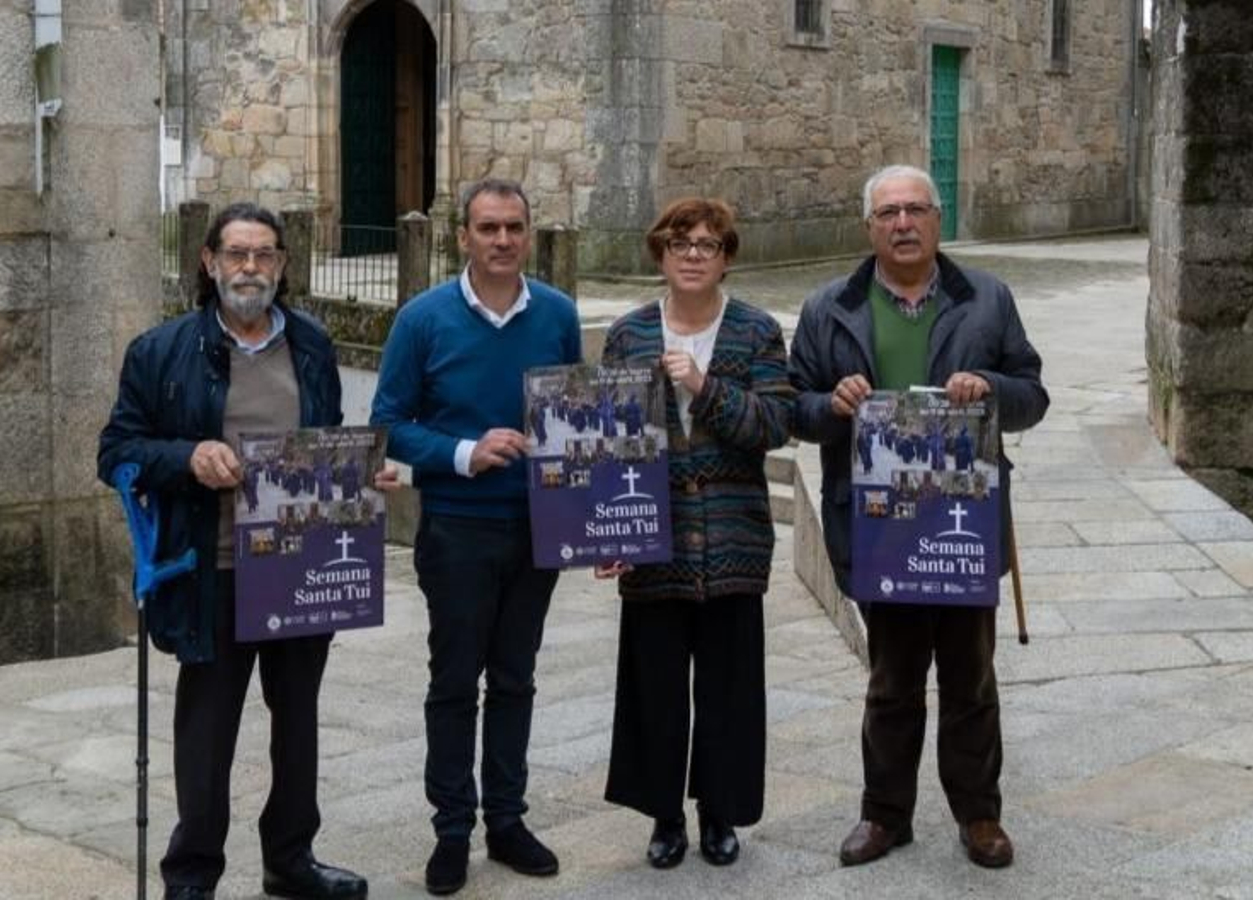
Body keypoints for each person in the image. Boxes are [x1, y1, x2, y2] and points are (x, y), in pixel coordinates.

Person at [99, 202, 394, 900]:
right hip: (214, 565)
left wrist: (355, 476)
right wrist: (187, 454)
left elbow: (324, 441)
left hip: (301, 562)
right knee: (208, 730)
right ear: (209, 262)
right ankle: (193, 872)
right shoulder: (160, 351)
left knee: (298, 722)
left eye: (264, 254)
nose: (251, 268)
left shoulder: (314, 346)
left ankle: (290, 859)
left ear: (283, 265)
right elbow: (115, 452)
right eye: (237, 254)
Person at [788, 165, 1049, 871]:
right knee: (892, 680)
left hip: (962, 525)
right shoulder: (828, 307)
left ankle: (979, 813)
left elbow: (1034, 395)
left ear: (937, 219)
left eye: (915, 210)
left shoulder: (988, 300)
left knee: (971, 677)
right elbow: (794, 409)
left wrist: (990, 389)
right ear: (868, 227)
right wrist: (830, 406)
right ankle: (885, 815)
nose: (902, 224)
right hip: (879, 529)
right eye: (888, 213)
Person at [370, 178, 582, 896]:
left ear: (528, 234)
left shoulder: (557, 314)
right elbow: (389, 422)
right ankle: (452, 829)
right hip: (458, 527)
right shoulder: (423, 319)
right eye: (487, 228)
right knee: (455, 679)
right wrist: (464, 452)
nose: (500, 241)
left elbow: (577, 414)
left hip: (537, 527)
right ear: (461, 236)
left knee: (516, 677)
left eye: (513, 228)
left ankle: (508, 820)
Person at [595, 198, 795, 871]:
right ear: (660, 254)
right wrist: (604, 529)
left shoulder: (756, 331)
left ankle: (719, 811)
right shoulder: (627, 336)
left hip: (733, 536)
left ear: (727, 257)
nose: (692, 254)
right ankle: (663, 815)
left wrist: (704, 386)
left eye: (707, 245)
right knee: (653, 684)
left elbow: (773, 424)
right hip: (654, 539)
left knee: (728, 687)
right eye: (679, 243)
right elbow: (605, 439)